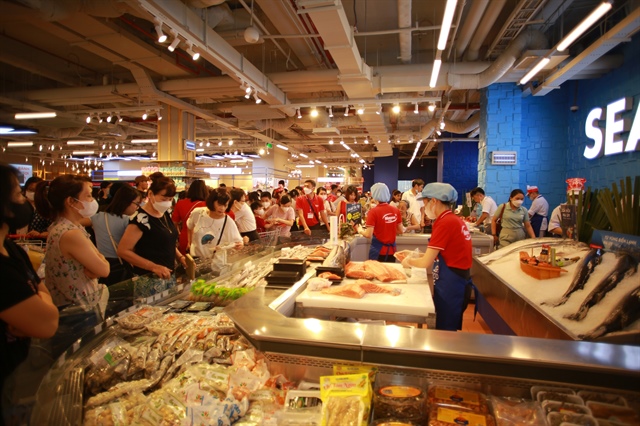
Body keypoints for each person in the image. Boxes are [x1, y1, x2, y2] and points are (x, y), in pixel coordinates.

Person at [0, 165, 59, 423]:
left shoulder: (12, 249)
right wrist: (39, 297)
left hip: (14, 374)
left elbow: (42, 293)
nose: (25, 200)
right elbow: (47, 322)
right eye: (18, 194)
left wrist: (39, 298)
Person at [401, 183, 473, 331]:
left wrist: (409, 261)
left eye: (425, 202)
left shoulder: (445, 222)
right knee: (446, 328)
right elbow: (441, 253)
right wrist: (415, 255)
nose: (424, 207)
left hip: (452, 285)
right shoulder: (453, 219)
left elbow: (426, 262)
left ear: (434, 201)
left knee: (445, 333)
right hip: (456, 280)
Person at [35, 174, 110, 309]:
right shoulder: (70, 233)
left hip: (72, 305)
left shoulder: (65, 227)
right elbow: (104, 269)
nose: (92, 200)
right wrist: (100, 261)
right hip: (77, 310)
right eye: (88, 196)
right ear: (71, 201)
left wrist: (98, 263)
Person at [118, 174, 186, 281]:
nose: (167, 202)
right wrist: (153, 267)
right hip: (148, 278)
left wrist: (180, 257)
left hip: (168, 275)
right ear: (150, 194)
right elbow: (123, 250)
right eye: (164, 199)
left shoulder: (165, 213)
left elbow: (166, 242)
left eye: (170, 199)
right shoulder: (140, 218)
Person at [91, 185, 141, 286]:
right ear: (126, 202)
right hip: (121, 264)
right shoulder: (129, 221)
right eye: (136, 203)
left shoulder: (97, 217)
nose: (137, 207)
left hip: (101, 263)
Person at [187, 188, 243, 259]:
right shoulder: (198, 213)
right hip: (195, 258)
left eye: (225, 205)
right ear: (212, 201)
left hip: (215, 263)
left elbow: (238, 242)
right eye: (219, 204)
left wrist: (240, 245)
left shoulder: (228, 222)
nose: (222, 208)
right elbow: (189, 226)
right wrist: (189, 243)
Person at [359, 183, 403, 262]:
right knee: (389, 273)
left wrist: (360, 230)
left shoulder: (373, 212)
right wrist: (388, 231)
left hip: (378, 251)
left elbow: (368, 234)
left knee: (376, 273)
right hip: (392, 251)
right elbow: (401, 230)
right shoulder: (396, 210)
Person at [172, 179, 208, 255]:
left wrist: (177, 235)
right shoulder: (207, 205)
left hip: (185, 237)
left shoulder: (180, 203)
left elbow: (174, 223)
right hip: (203, 237)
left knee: (186, 262)